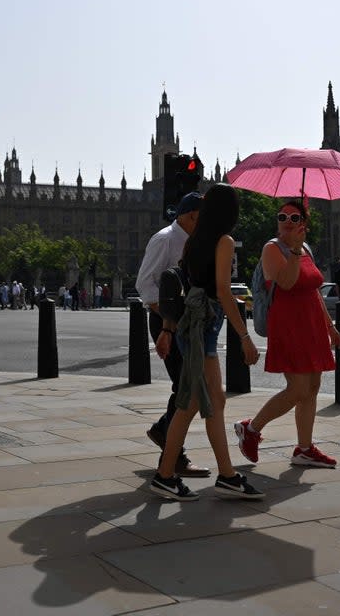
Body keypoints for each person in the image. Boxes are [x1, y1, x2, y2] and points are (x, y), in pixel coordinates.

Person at [152, 183, 262, 501]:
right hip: (204, 328)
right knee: (192, 405)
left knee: (211, 402)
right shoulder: (223, 241)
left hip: (196, 326)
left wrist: (168, 330)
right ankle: (166, 476)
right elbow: (224, 292)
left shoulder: (195, 241)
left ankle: (225, 475)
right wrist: (245, 337)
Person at [235, 199, 340, 470]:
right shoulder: (272, 248)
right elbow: (285, 282)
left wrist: (329, 325)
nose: (287, 222)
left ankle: (304, 449)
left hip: (312, 324)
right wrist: (293, 251)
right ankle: (251, 428)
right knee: (298, 388)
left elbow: (314, 290)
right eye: (282, 216)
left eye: (294, 218)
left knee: (313, 387)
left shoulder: (306, 248)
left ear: (303, 224)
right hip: (288, 324)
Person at [135, 191, 209, 479]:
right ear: (191, 216)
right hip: (166, 322)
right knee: (185, 387)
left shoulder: (192, 241)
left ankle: (164, 432)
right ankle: (173, 454)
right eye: (202, 220)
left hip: (185, 323)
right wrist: (169, 319)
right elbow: (145, 285)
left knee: (186, 386)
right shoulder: (165, 239)